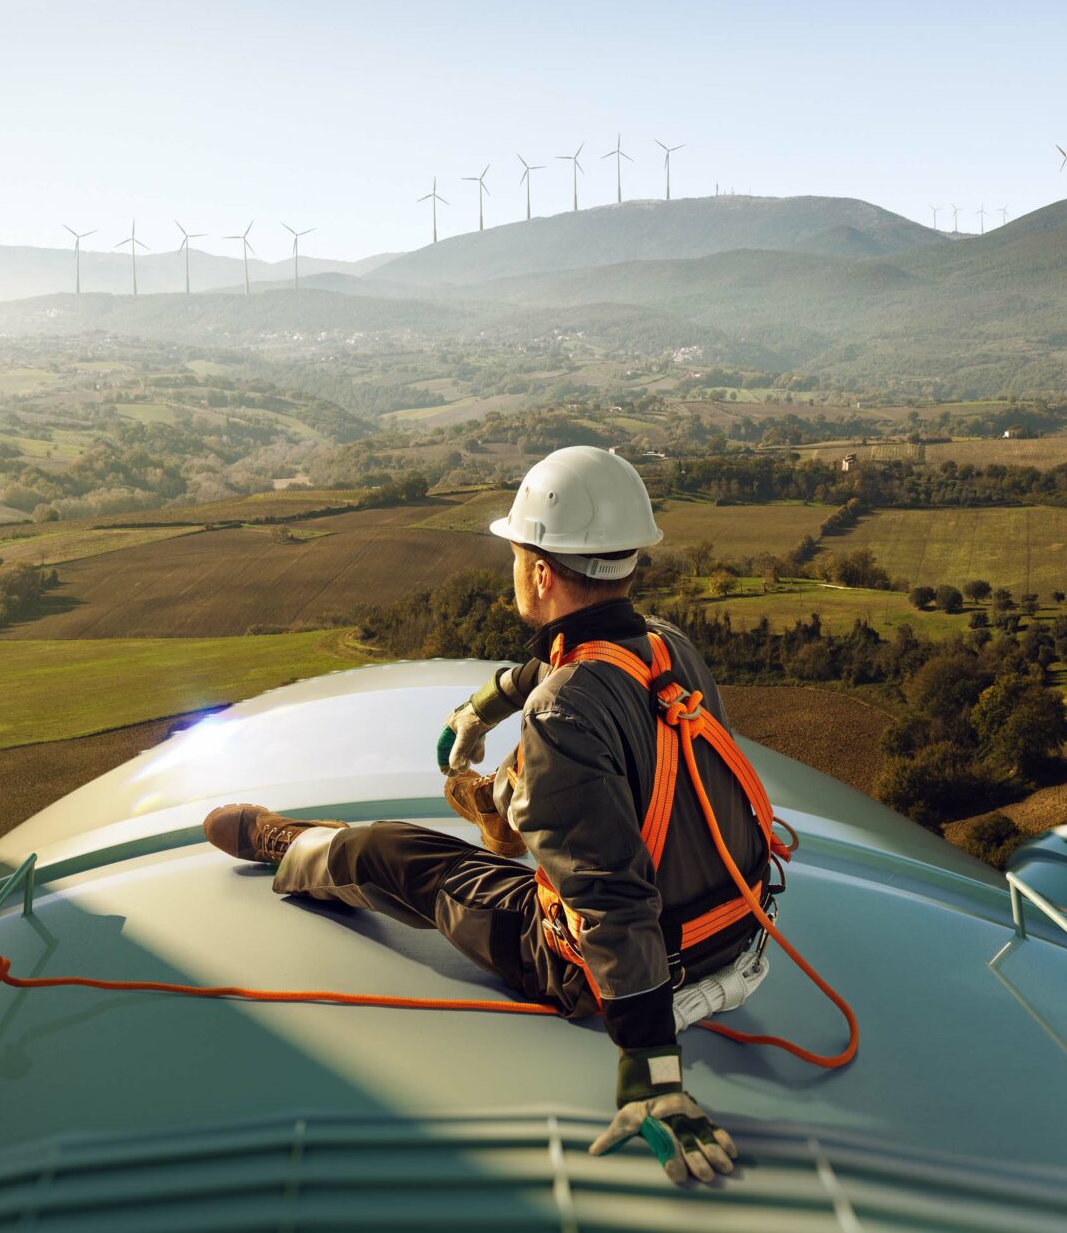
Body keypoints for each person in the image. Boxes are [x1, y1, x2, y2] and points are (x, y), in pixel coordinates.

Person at [201, 445, 773, 1184]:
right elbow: (568, 663)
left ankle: (296, 847)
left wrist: (653, 1071)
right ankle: (505, 805)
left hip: (625, 974)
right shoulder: (666, 644)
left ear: (539, 570)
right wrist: (486, 703)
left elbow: (611, 896)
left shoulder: (563, 711)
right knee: (551, 780)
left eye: (516, 552)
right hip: (739, 937)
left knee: (390, 850)